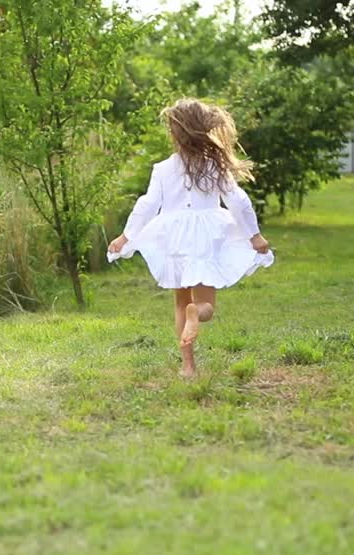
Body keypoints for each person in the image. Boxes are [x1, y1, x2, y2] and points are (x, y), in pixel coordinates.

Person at [108, 98, 274, 378]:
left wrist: (126, 236)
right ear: (203, 130)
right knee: (205, 304)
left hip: (173, 238)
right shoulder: (215, 166)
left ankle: (188, 367)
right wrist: (254, 235)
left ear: (175, 134)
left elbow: (147, 204)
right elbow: (238, 201)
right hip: (206, 237)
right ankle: (198, 313)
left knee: (179, 303)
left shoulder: (162, 168)